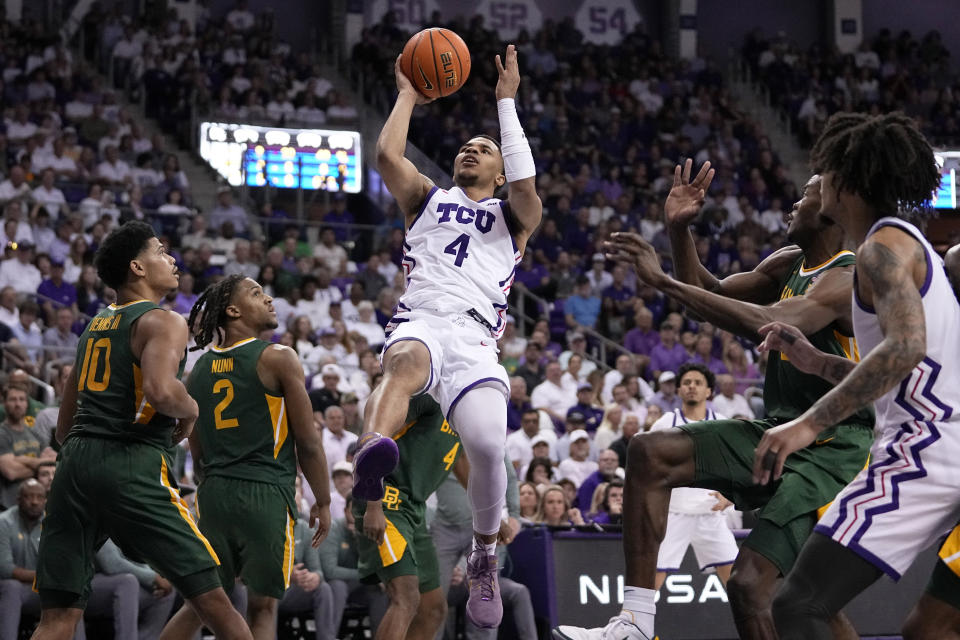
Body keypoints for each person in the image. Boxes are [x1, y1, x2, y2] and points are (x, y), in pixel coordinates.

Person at [555, 162, 873, 640]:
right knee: (649, 451)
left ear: (831, 208)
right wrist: (680, 231)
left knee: (754, 588)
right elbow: (710, 294)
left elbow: (767, 320)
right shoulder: (789, 261)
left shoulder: (846, 279)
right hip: (782, 429)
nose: (795, 202)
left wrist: (662, 281)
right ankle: (636, 622)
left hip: (833, 448)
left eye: (806, 195)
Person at [751, 113, 960, 639]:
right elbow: (917, 369)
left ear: (848, 181)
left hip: (927, 451)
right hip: (947, 439)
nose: (816, 181)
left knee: (798, 605)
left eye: (823, 171)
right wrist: (819, 363)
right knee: (930, 631)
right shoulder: (905, 244)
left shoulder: (878, 249)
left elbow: (907, 349)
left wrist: (806, 424)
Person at [354, 44, 542, 629]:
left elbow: (529, 183)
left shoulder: (516, 217)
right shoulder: (427, 198)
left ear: (501, 170)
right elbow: (387, 154)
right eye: (466, 146)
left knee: (488, 444)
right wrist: (409, 91)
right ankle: (370, 459)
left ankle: (485, 555)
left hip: (476, 337)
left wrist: (505, 105)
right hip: (423, 318)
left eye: (484, 149)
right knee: (403, 364)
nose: (470, 150)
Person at [32, 221, 253, 640]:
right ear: (137, 267)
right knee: (213, 595)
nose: (172, 259)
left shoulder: (93, 326)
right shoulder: (162, 321)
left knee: (57, 616)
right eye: (161, 251)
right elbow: (161, 390)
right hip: (130, 463)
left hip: (74, 464)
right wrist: (191, 409)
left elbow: (63, 424)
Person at [161, 274, 331, 640]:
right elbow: (309, 441)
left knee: (201, 605)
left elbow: (198, 449)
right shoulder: (279, 357)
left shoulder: (198, 370)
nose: (270, 299)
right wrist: (324, 499)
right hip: (265, 492)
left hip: (214, 494)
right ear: (233, 310)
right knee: (263, 606)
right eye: (257, 293)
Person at [355, 394, 465, 640]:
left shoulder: (464, 413)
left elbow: (466, 465)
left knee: (433, 609)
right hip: (386, 498)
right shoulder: (428, 397)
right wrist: (374, 504)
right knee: (406, 597)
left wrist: (492, 515)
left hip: (414, 509)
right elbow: (376, 438)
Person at [647, 363, 737, 590]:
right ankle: (632, 623)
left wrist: (731, 496)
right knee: (650, 580)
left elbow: (737, 466)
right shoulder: (666, 423)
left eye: (698, 383)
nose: (691, 387)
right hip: (672, 512)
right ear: (678, 390)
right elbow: (646, 465)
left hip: (710, 512)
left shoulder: (723, 423)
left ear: (709, 391)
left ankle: (754, 626)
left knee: (736, 582)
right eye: (686, 383)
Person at [0, 480, 84, 640]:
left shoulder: (54, 523)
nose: (34, 502)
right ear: (18, 499)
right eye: (29, 497)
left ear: (46, 500)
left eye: (39, 497)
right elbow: (5, 569)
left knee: (71, 592)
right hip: (13, 589)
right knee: (11, 587)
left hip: (42, 590)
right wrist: (46, 578)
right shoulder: (3, 522)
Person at [0, 383, 56, 508]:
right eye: (13, 399)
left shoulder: (33, 432)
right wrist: (41, 466)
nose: (18, 404)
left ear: (27, 404)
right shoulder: (2, 434)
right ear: (4, 403)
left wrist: (21, 459)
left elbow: (52, 461)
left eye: (22, 399)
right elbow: (11, 472)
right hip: (10, 505)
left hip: (36, 505)